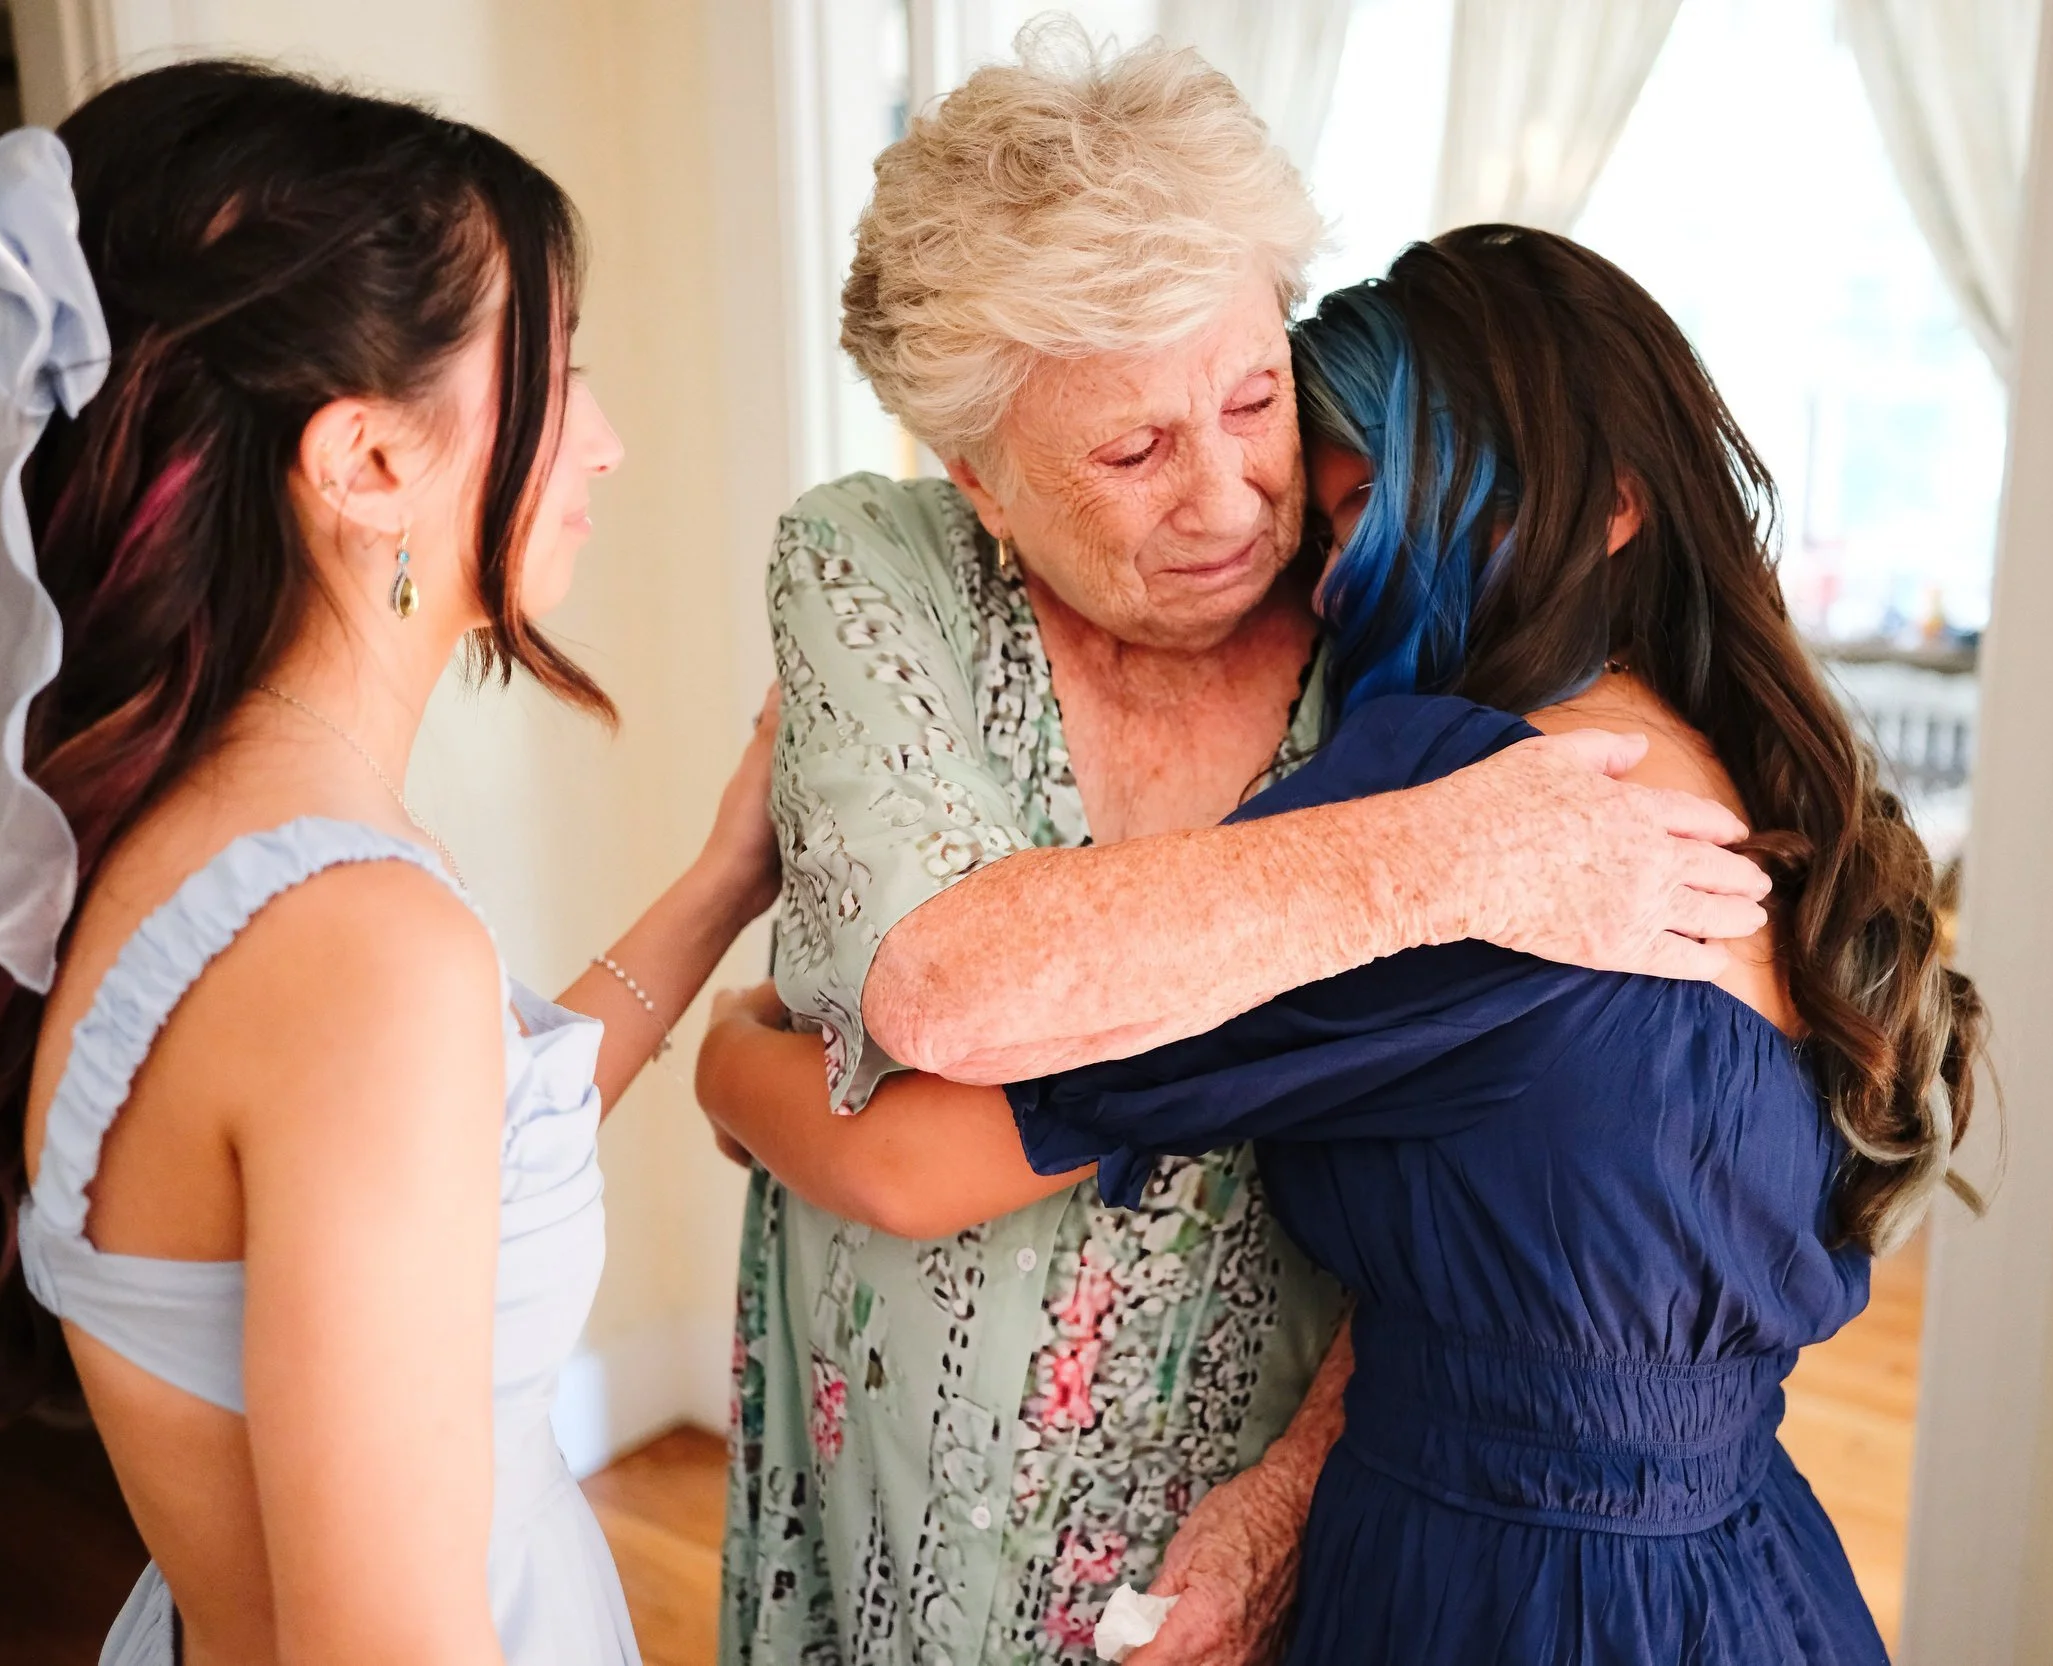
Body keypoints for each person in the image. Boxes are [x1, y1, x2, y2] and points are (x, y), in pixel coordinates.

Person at [691, 30, 1774, 1666]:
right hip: (909, 1461)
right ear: (980, 479)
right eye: (1129, 451)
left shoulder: (1395, 629)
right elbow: (946, 988)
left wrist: (1290, 1491)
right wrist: (1440, 859)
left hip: (1308, 1504)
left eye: (1254, 399)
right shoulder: (871, 562)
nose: (1233, 502)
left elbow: (1484, 1208)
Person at [1003, 225, 1991, 1665]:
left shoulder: (1465, 789)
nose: (1333, 584)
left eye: (1369, 517)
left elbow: (966, 1127)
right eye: (1331, 526)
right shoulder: (1742, 777)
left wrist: (724, 1061)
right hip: (1750, 1582)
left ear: (1607, 512)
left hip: (1496, 1593)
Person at [0, 65, 782, 1664]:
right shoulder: (357, 943)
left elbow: (435, 1184)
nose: (601, 442)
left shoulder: (147, 838)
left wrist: (714, 884)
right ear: (364, 464)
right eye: (560, 372)